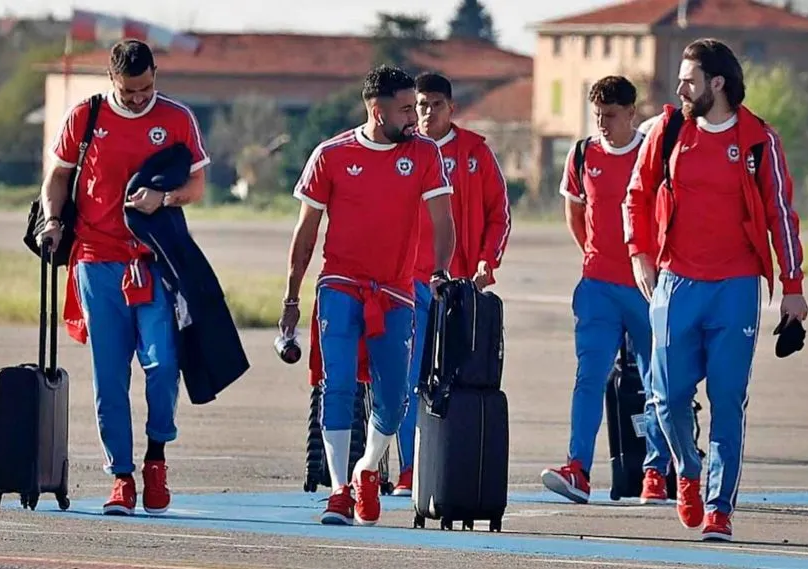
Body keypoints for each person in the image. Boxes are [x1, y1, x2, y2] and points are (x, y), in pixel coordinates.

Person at [625, 38, 808, 541]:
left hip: (736, 286)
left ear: (717, 84)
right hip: (676, 283)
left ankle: (719, 506)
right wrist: (640, 255)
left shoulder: (757, 140)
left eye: (689, 79)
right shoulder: (667, 132)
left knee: (728, 398)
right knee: (666, 396)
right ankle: (687, 469)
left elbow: (780, 215)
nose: (680, 87)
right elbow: (636, 197)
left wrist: (793, 286)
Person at [35, 39, 211, 516]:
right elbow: (58, 177)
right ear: (112, 80)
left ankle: (156, 458)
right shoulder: (86, 117)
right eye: (129, 91)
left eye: (146, 87)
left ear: (156, 74)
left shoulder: (176, 119)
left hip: (154, 261)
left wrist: (166, 200)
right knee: (109, 377)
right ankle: (121, 477)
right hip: (95, 259)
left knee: (161, 364)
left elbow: (195, 183)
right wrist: (52, 220)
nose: (139, 98)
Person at [279, 64, 456, 526]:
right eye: (404, 110)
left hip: (396, 292)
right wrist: (291, 297)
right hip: (339, 285)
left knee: (394, 396)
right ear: (377, 112)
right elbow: (305, 233)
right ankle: (339, 489)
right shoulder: (330, 155)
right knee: (336, 385)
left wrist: (439, 271)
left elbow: (443, 223)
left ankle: (367, 468)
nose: (413, 118)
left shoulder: (423, 155)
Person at [538, 76, 672, 506]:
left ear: (632, 113)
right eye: (597, 116)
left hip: (647, 287)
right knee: (589, 378)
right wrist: (596, 258)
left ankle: (656, 472)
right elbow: (575, 215)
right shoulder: (582, 154)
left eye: (611, 116)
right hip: (598, 285)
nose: (603, 124)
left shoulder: (652, 156)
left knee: (659, 382)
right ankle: (577, 468)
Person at [390, 71, 511, 496]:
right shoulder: (399, 150)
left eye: (434, 105)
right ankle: (410, 467)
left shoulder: (475, 151)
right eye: (419, 105)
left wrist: (486, 261)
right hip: (409, 285)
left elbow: (499, 213)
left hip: (460, 289)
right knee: (409, 378)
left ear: (450, 108)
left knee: (456, 382)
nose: (425, 113)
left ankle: (451, 464)